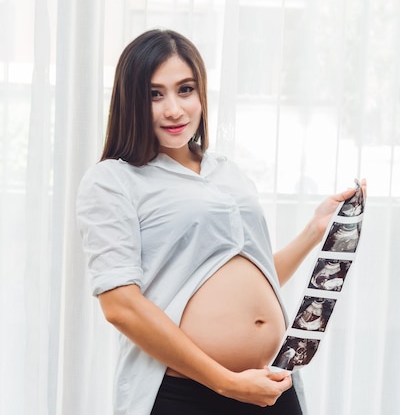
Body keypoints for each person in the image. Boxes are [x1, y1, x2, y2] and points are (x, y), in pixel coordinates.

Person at [75, 28, 365, 415]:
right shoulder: (113, 180)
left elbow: (250, 276)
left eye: (186, 89)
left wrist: (314, 231)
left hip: (271, 383)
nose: (173, 109)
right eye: (154, 94)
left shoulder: (226, 171)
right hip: (186, 394)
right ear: (131, 101)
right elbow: (120, 306)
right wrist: (226, 383)